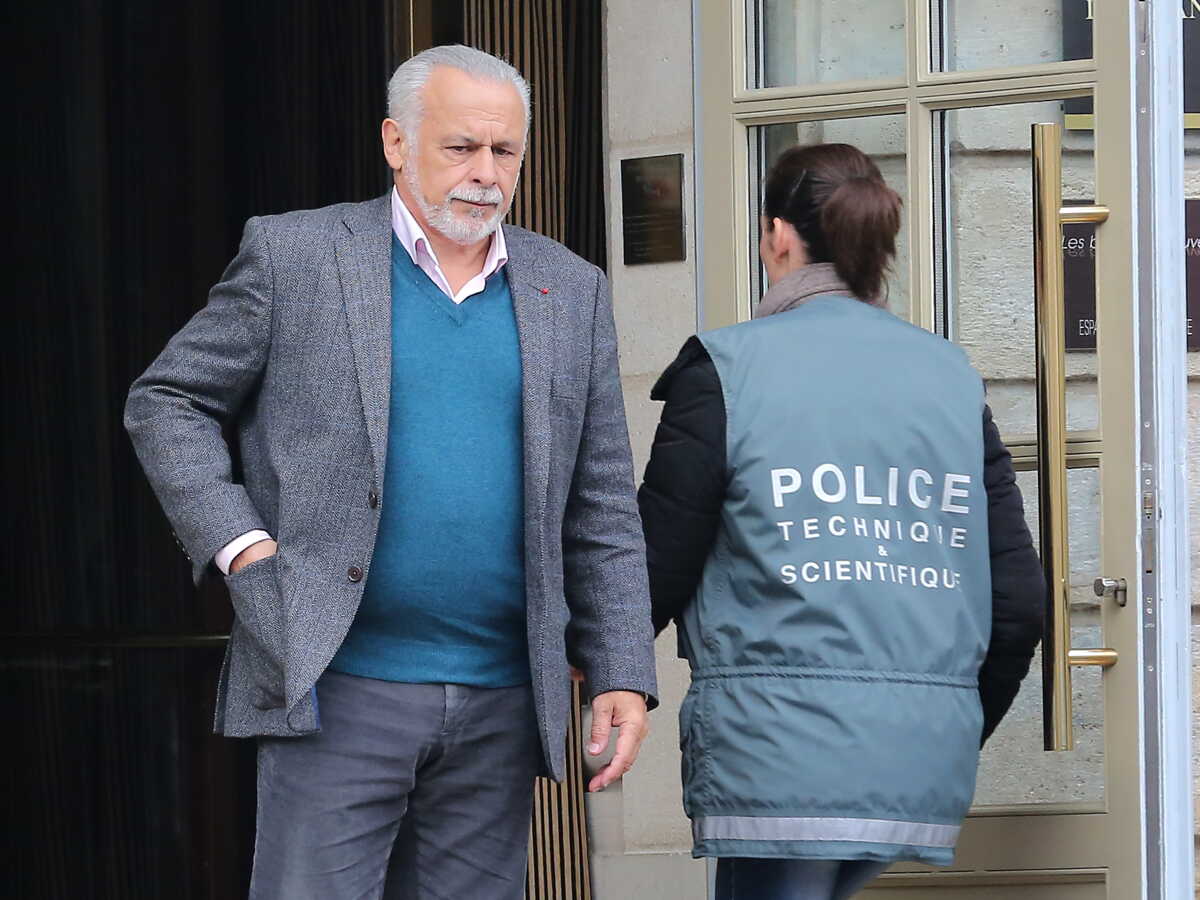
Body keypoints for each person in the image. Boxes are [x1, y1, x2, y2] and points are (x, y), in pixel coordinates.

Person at [125, 44, 657, 900]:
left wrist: (622, 667)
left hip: (502, 695)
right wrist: (242, 545)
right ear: (396, 143)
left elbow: (601, 503)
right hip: (336, 680)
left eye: (505, 151)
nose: (486, 173)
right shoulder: (295, 256)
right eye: (461, 147)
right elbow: (167, 400)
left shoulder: (571, 287)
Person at [638, 143, 1044, 900]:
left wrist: (583, 664)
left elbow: (653, 565)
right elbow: (1019, 600)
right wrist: (947, 718)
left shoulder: (728, 369)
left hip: (775, 753)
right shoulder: (950, 376)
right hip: (919, 757)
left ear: (777, 236)